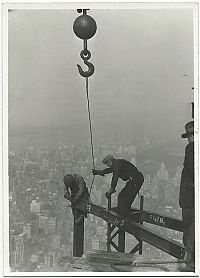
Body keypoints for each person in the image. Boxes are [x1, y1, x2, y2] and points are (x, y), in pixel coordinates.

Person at [179, 121, 195, 272]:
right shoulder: (192, 148)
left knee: (189, 227)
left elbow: (191, 169)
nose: (189, 139)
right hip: (191, 198)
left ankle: (189, 260)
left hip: (189, 198)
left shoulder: (191, 147)